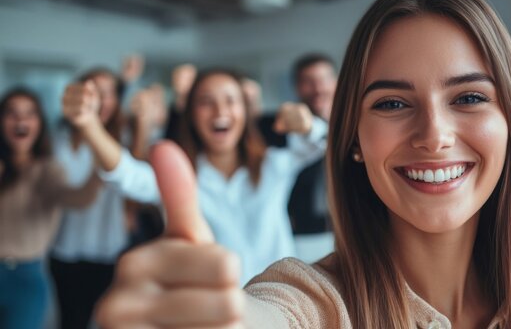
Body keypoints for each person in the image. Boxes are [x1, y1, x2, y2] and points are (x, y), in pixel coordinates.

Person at [95, 0, 511, 329]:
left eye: (469, 97)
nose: (434, 135)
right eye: (392, 103)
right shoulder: (320, 304)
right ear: (353, 142)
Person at [62, 68, 328, 284]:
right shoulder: (181, 177)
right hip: (218, 310)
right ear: (191, 116)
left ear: (245, 112)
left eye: (230, 100)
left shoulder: (273, 164)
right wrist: (89, 125)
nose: (220, 111)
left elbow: (322, 142)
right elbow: (128, 175)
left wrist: (306, 124)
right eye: (206, 101)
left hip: (283, 304)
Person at [0, 88, 100, 329]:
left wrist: (102, 164)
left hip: (27, 277)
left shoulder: (48, 170)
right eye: (12, 113)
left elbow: (80, 198)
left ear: (39, 123)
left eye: (29, 113)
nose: (21, 120)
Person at [48, 68, 131, 329]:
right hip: (64, 245)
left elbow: (141, 189)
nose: (102, 100)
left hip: (108, 249)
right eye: (95, 92)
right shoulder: (56, 142)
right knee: (70, 321)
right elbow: (63, 195)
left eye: (109, 93)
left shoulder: (125, 142)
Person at [286, 54, 337, 236]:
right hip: (303, 231)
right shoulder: (287, 135)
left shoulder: (358, 125)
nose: (318, 89)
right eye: (308, 81)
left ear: (336, 81)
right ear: (297, 87)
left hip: (355, 225)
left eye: (323, 79)